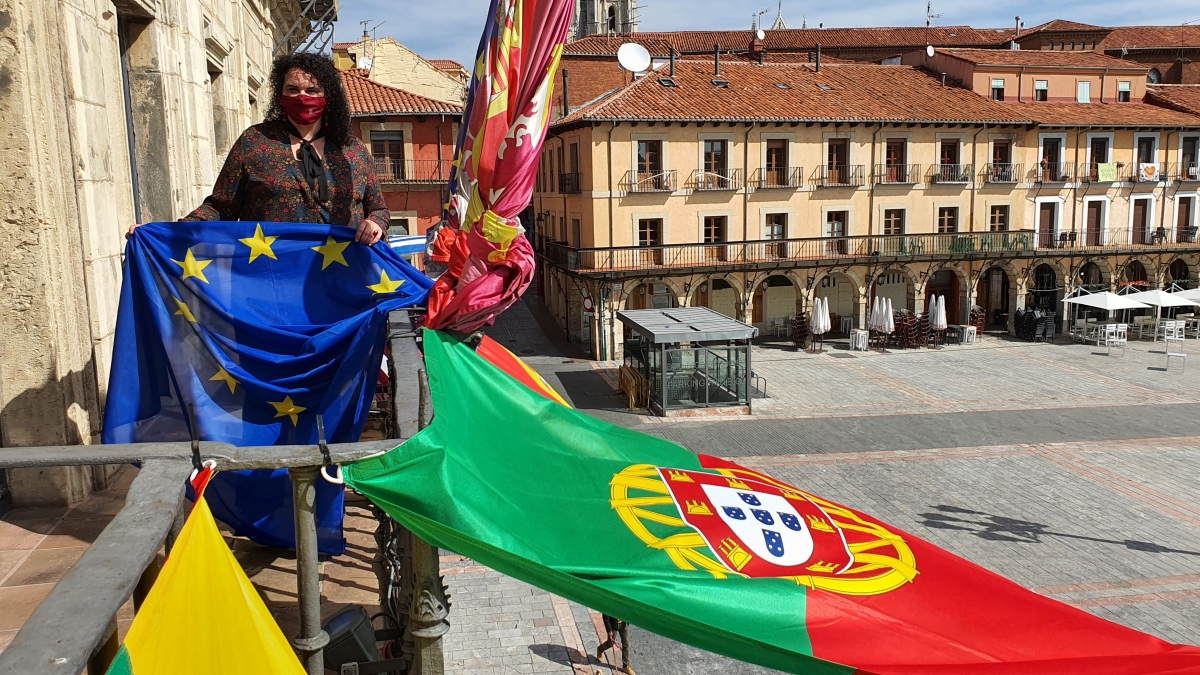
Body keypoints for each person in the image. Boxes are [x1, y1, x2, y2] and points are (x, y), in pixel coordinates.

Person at [128, 52, 388, 244]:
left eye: (312, 90)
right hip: (272, 277)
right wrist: (160, 233)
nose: (302, 97)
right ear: (280, 94)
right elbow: (220, 208)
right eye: (292, 89)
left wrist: (375, 224)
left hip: (343, 279)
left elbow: (378, 209)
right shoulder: (254, 142)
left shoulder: (351, 150)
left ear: (327, 96)